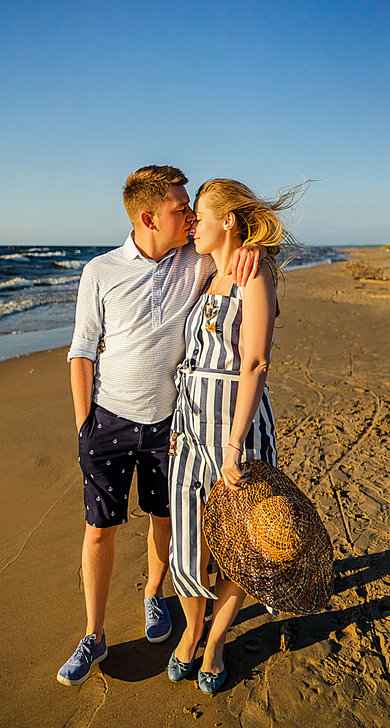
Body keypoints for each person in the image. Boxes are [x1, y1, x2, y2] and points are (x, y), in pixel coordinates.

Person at [57, 166, 266, 686]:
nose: (191, 216)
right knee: (99, 530)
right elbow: (82, 350)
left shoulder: (193, 259)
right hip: (107, 419)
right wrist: (84, 425)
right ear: (149, 217)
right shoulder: (99, 271)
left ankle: (154, 596)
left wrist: (255, 251)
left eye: (192, 209)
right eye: (180, 209)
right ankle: (94, 634)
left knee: (163, 520)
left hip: (169, 425)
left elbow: (233, 250)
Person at [167, 177, 306, 694]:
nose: (190, 226)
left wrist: (233, 447)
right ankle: (192, 629)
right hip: (189, 428)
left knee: (240, 547)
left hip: (236, 433)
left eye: (198, 217)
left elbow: (255, 362)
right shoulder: (208, 271)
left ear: (227, 220)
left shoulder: (256, 273)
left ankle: (214, 641)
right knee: (188, 542)